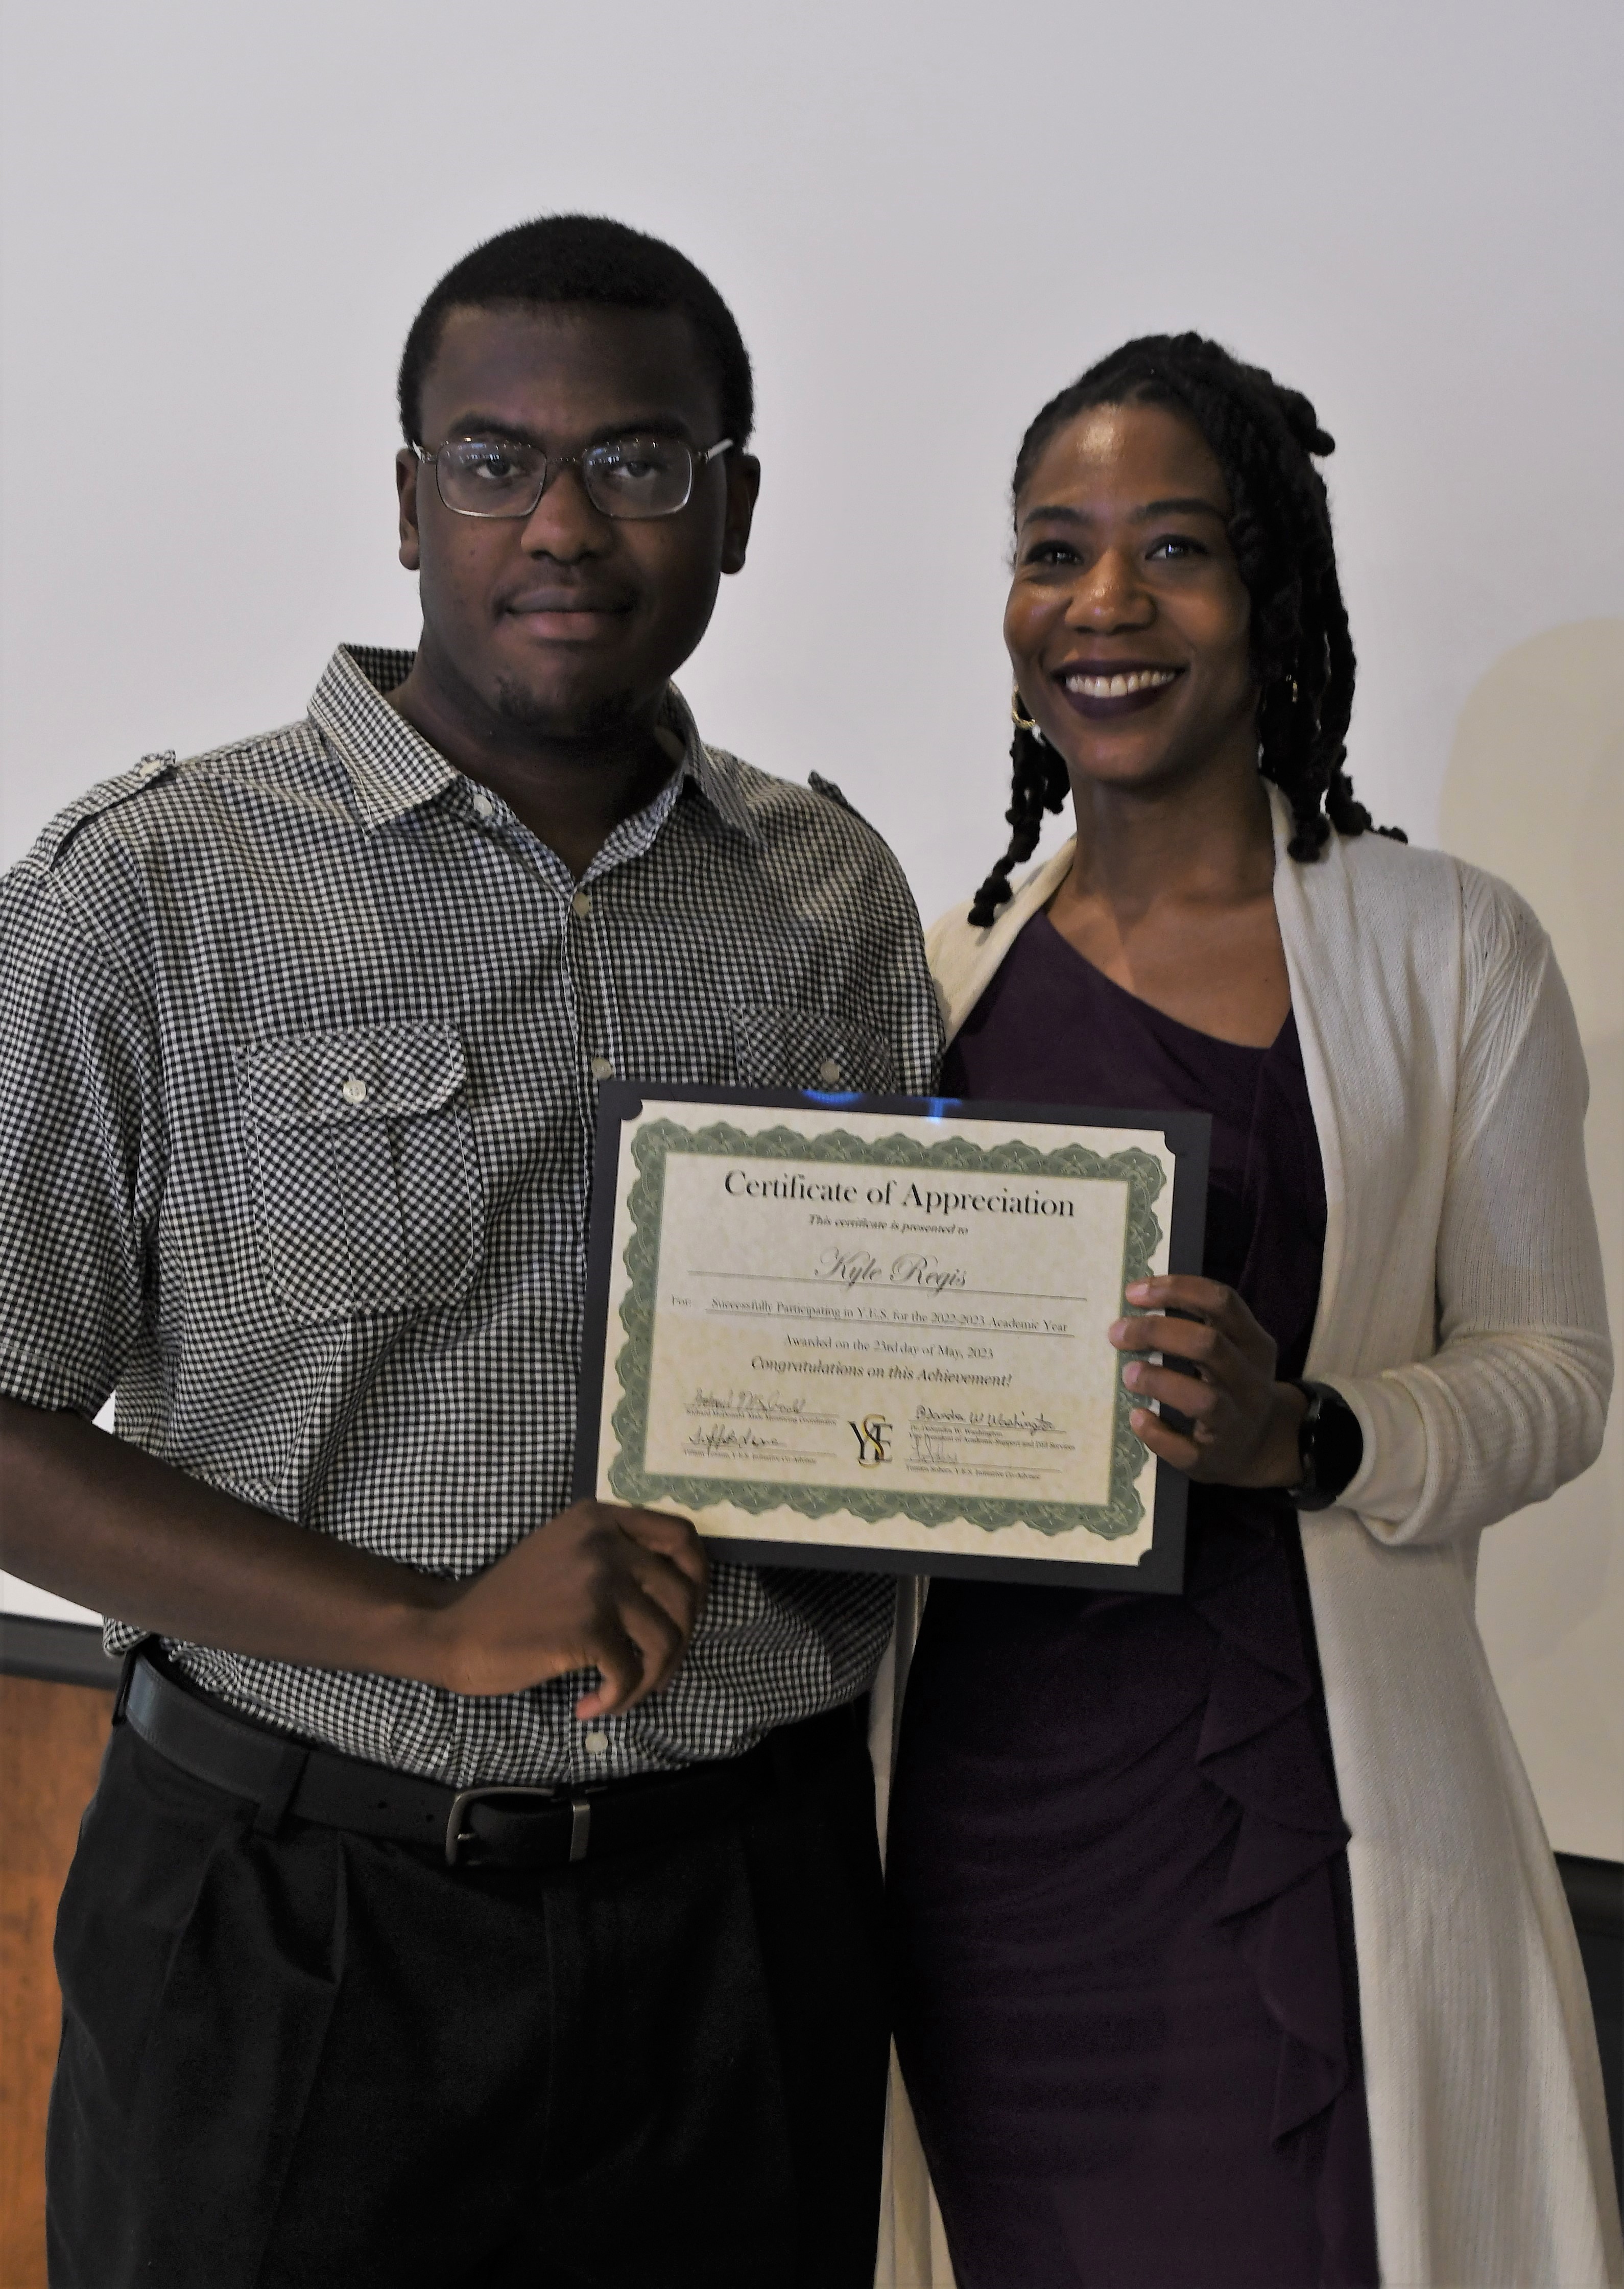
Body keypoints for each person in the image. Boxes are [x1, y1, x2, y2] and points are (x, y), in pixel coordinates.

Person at [0, 214, 939, 2289]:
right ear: (410, 498)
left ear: (739, 504)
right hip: (299, 1921)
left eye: (642, 458)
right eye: (499, 459)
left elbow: (907, 1346)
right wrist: (429, 1620)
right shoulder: (153, 883)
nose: (568, 522)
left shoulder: (830, 893)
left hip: (747, 1919)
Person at [873, 333, 1622, 2289]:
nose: (1102, 605)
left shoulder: (1451, 949)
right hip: (987, 1838)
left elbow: (1552, 1376)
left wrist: (1319, 1433)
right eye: (1054, 549)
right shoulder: (930, 974)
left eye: (1175, 549)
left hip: (1304, 1814)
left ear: (1270, 597)